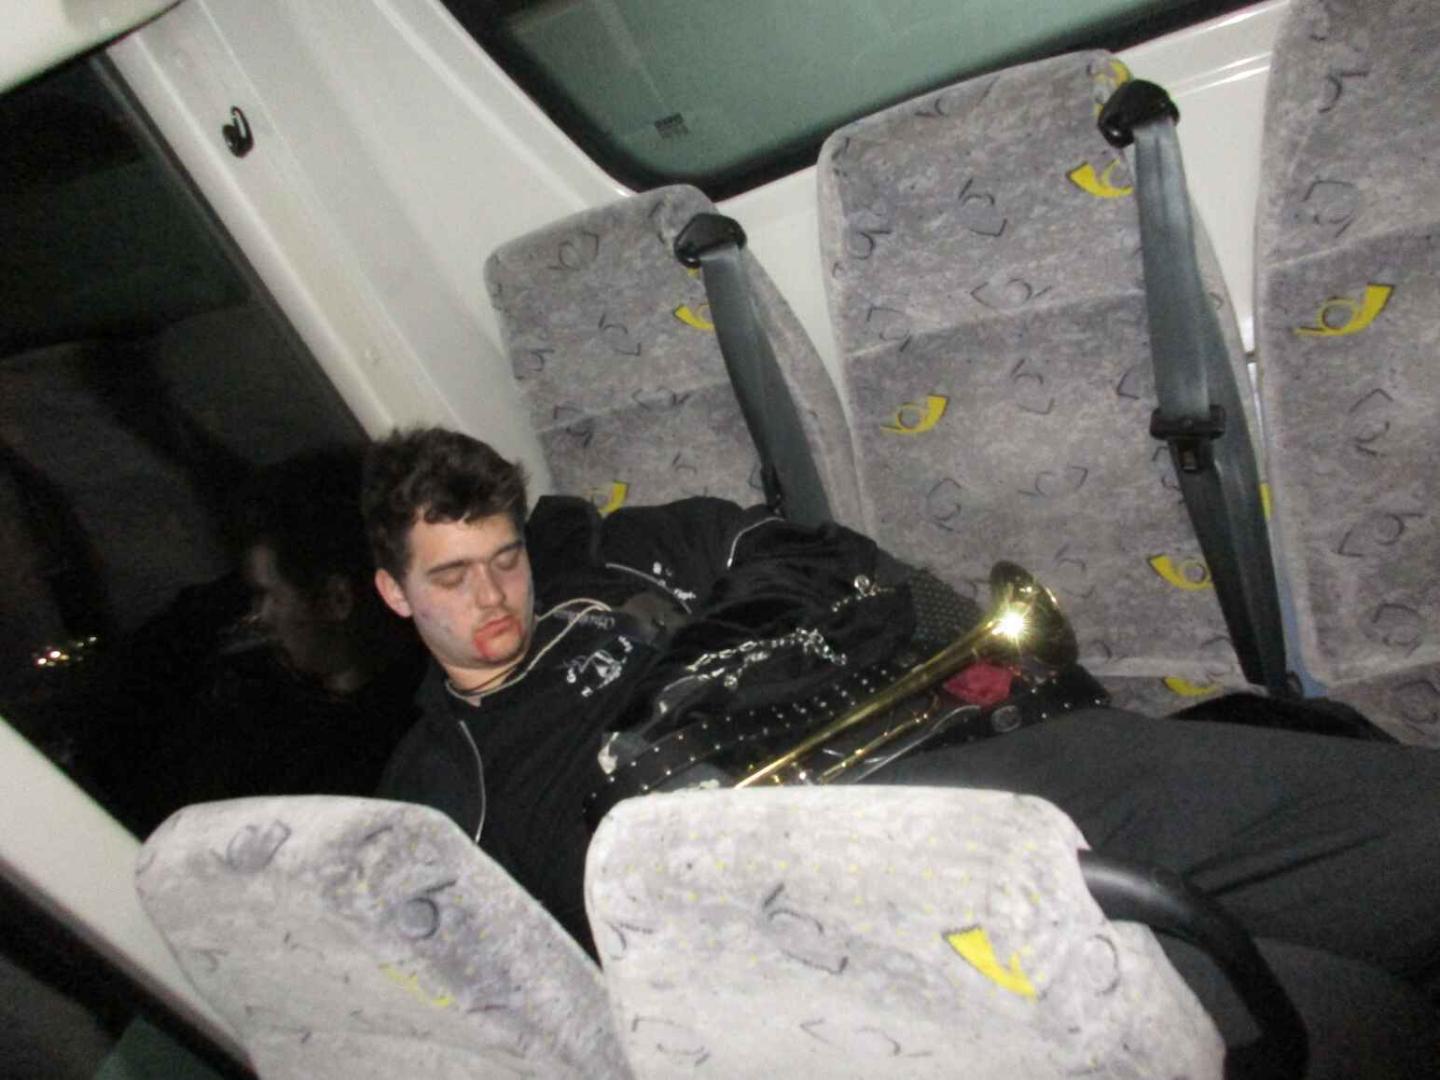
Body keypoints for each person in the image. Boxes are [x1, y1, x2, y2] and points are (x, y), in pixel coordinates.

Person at [365, 427, 1440, 1061]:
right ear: (394, 593)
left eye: (504, 559)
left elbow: (814, 555)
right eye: (451, 579)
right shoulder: (439, 788)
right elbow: (527, 991)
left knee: (1404, 823)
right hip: (826, 910)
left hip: (962, 755)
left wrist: (693, 680)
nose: (494, 597)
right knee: (1337, 1025)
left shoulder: (621, 556)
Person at [79, 447, 424, 836]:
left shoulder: (380, 755)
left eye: (267, 594)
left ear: (336, 599)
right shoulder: (263, 695)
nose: (262, 615)